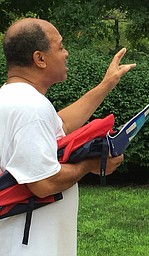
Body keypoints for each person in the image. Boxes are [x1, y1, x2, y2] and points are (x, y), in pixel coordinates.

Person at [0, 18, 136, 255]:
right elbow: (44, 183)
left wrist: (107, 84)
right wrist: (92, 164)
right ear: (39, 59)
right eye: (60, 47)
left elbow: (60, 124)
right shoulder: (30, 108)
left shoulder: (13, 97)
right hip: (32, 247)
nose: (66, 53)